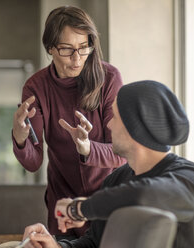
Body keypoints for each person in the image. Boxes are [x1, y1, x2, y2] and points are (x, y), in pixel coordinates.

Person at [21, 80, 194, 248]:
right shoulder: (116, 179)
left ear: (135, 128)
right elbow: (94, 243)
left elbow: (144, 194)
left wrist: (79, 209)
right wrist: (55, 246)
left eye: (116, 117)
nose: (109, 125)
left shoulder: (189, 176)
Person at [12, 6, 126, 238]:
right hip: (63, 202)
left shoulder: (109, 79)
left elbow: (122, 152)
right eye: (66, 49)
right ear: (51, 48)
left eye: (84, 48)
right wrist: (21, 139)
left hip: (106, 202)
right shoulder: (36, 87)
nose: (77, 59)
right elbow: (33, 163)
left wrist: (88, 148)